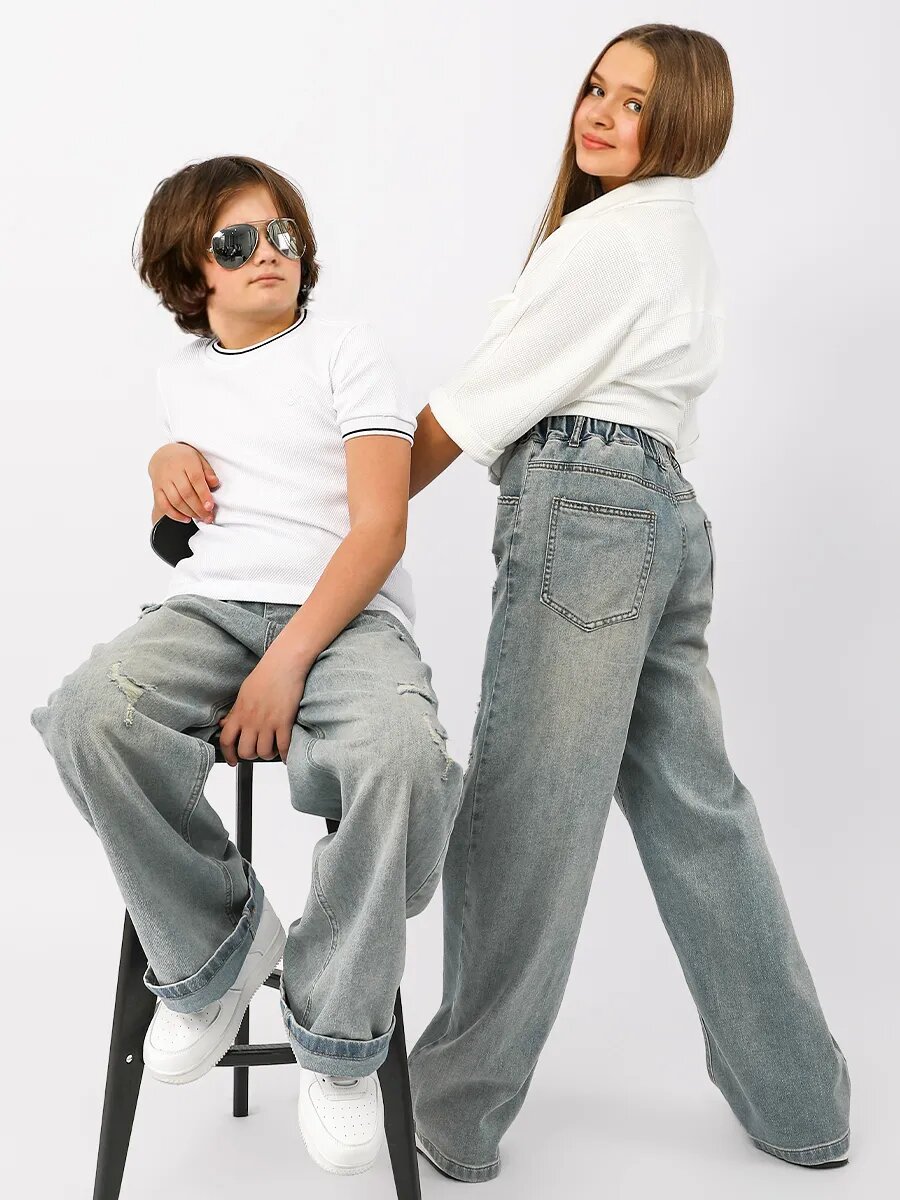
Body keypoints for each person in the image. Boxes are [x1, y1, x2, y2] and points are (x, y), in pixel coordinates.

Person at [402, 24, 851, 1182]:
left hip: (591, 511)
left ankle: (454, 1108)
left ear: (684, 121)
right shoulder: (674, 235)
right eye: (595, 88)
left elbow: (468, 409)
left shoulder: (609, 241)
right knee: (700, 812)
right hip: (661, 518)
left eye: (635, 102)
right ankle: (802, 1102)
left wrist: (351, 520)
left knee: (526, 814)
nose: (599, 114)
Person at [29, 154, 464, 1178]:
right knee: (90, 714)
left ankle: (339, 1033)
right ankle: (218, 954)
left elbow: (380, 527)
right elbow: (198, 527)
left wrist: (288, 665)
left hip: (347, 619)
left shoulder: (345, 349)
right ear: (194, 270)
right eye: (237, 242)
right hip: (213, 609)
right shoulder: (180, 378)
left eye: (283, 235)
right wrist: (163, 466)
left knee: (402, 756)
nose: (269, 252)